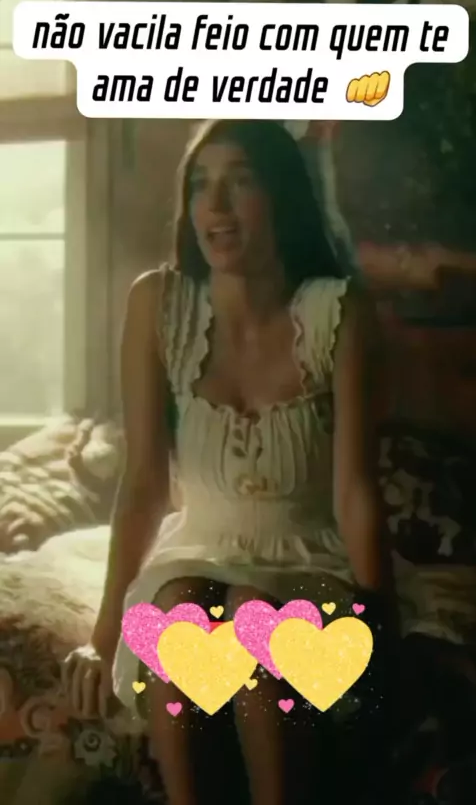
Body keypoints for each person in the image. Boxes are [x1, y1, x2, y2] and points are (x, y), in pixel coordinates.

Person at [62, 119, 396, 805]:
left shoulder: (338, 312)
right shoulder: (159, 306)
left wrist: (383, 625)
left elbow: (356, 491)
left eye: (239, 181)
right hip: (198, 551)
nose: (214, 205)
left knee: (255, 619)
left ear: (282, 197)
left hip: (311, 556)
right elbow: (145, 484)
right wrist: (101, 635)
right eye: (199, 184)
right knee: (179, 609)